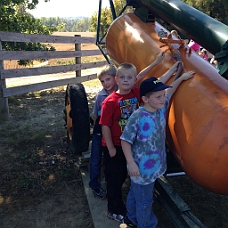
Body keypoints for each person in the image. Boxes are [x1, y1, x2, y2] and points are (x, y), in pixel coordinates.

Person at [99, 52, 182, 222]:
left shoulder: (137, 94)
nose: (126, 80)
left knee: (131, 182)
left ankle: (131, 215)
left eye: (130, 78)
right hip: (116, 145)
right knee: (116, 179)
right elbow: (105, 125)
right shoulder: (111, 101)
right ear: (117, 79)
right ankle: (114, 209)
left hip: (135, 146)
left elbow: (156, 83)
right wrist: (111, 148)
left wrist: (174, 69)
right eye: (122, 77)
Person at [120, 71, 195, 228]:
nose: (163, 98)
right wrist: (131, 163)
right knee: (145, 201)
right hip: (140, 169)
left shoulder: (160, 107)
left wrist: (181, 77)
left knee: (136, 194)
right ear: (146, 99)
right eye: (158, 96)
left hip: (154, 166)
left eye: (163, 95)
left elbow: (170, 90)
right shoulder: (138, 116)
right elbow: (125, 140)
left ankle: (132, 217)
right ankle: (146, 225)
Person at [89, 64, 117, 198]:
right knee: (95, 157)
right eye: (102, 81)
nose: (105, 83)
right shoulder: (101, 96)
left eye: (108, 79)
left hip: (114, 130)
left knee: (109, 157)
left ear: (115, 78)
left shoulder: (121, 92)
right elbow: (96, 115)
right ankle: (94, 184)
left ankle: (110, 181)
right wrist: (96, 131)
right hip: (100, 129)